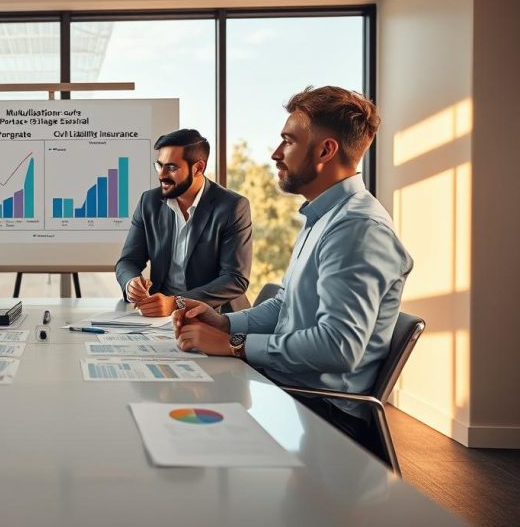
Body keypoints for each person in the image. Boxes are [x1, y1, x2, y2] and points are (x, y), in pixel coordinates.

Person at [174, 86, 413, 461]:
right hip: (293, 395)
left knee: (179, 441)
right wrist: (225, 325)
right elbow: (286, 306)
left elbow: (338, 347)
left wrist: (235, 347)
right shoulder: (323, 216)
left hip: (323, 420)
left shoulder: (357, 228)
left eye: (287, 141)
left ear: (325, 150)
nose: (275, 153)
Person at [115, 129, 252, 316]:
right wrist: (131, 283)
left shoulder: (232, 206)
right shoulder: (149, 202)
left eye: (171, 168)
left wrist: (177, 303)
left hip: (218, 315)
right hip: (161, 317)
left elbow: (235, 279)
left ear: (198, 168)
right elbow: (128, 261)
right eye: (159, 166)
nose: (161, 175)